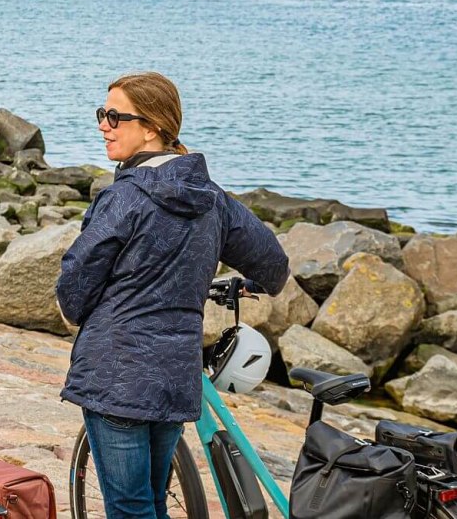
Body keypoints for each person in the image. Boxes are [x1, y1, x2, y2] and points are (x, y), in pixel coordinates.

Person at [56, 72, 289, 519]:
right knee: (153, 503)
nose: (103, 124)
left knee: (130, 508)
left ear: (152, 128)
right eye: (101, 114)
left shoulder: (123, 198)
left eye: (114, 116)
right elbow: (274, 267)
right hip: (172, 375)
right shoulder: (212, 198)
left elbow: (74, 288)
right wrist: (245, 284)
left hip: (116, 375)